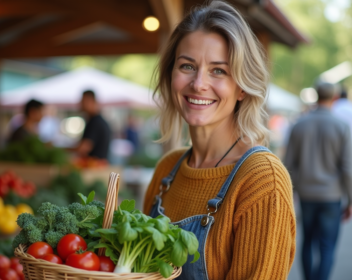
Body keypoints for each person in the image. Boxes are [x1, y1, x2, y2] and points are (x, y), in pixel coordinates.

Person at [142, 1, 295, 279]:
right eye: (187, 66)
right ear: (170, 76)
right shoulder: (167, 169)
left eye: (219, 70)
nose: (199, 83)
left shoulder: (262, 180)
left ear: (241, 88)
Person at [284, 82, 352, 280]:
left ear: (315, 95)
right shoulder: (341, 127)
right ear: (334, 98)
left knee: (307, 242)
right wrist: (350, 199)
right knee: (327, 246)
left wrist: (291, 194)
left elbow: (288, 165)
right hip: (331, 196)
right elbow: (348, 168)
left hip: (306, 194)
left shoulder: (299, 125)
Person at [71, 90, 111, 160]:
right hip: (97, 166)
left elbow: (83, 148)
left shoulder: (95, 122)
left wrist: (61, 149)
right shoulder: (97, 121)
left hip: (95, 167)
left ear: (91, 101)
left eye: (83, 101)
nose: (81, 104)